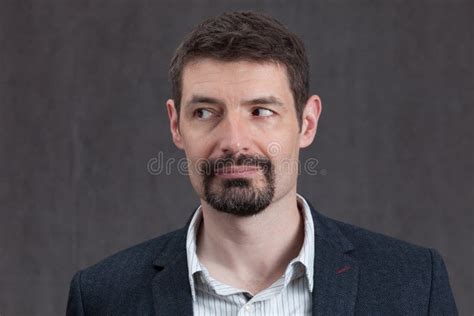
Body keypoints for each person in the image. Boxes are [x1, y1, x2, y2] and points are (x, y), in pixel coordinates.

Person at [67, 11, 457, 315]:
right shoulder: (103, 298)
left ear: (306, 123)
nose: (234, 142)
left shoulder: (413, 285)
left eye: (261, 111)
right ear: (176, 125)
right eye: (205, 112)